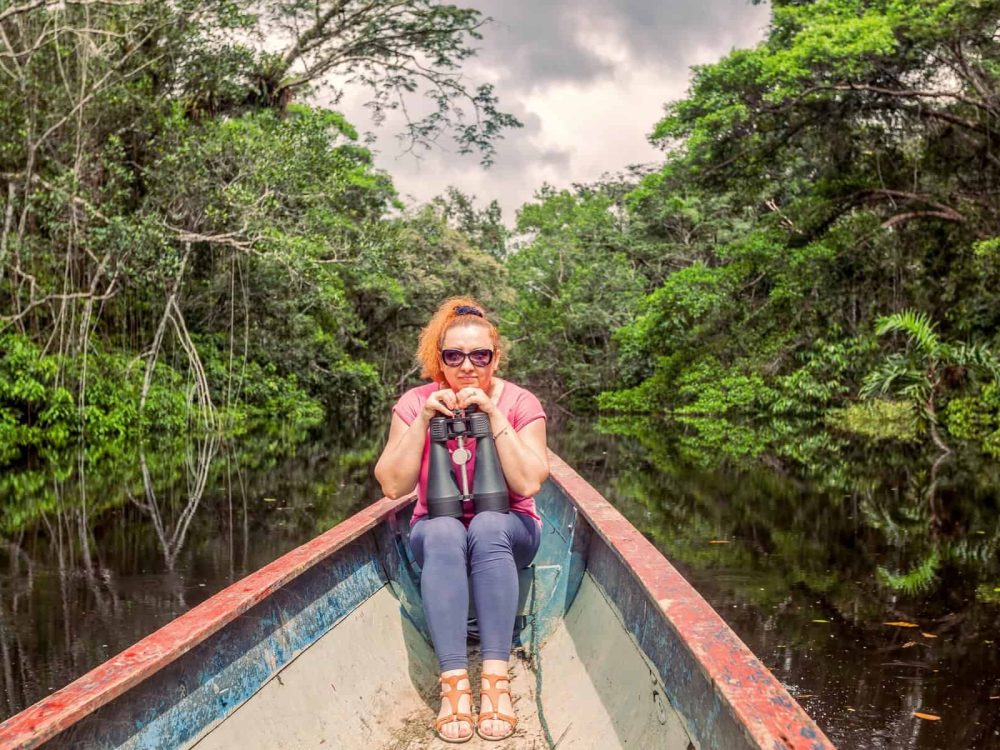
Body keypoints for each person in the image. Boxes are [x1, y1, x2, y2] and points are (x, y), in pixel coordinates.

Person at [374, 297, 549, 743]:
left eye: (479, 356)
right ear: (439, 358)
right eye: (453, 356)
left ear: (494, 357)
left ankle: (495, 682)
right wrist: (425, 420)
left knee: (488, 527)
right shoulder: (415, 402)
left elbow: (529, 483)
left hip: (512, 528)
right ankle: (453, 685)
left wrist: (492, 416)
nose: (466, 365)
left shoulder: (519, 401)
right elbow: (393, 486)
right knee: (445, 529)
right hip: (439, 531)